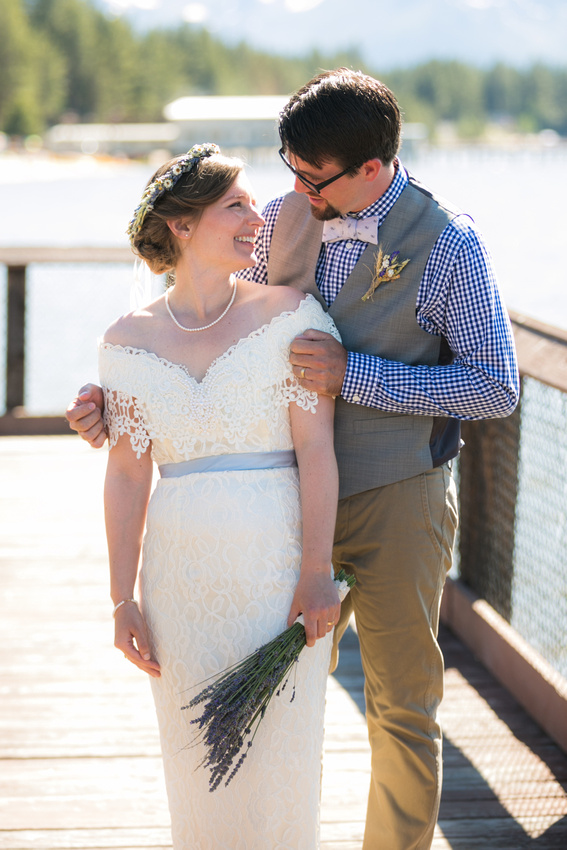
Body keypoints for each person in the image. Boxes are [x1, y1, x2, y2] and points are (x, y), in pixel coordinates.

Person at [67, 70, 520, 850]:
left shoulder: (448, 244)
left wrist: (360, 376)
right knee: (271, 708)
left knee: (400, 704)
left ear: (369, 169)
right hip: (272, 511)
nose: (291, 191)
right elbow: (211, 325)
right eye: (288, 169)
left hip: (394, 497)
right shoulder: (282, 218)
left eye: (312, 176)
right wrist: (124, 399)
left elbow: (494, 388)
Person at [97, 142, 343, 849]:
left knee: (280, 759)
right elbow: (125, 474)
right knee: (196, 764)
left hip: (277, 569)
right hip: (179, 579)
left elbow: (317, 453)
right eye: (235, 205)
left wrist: (316, 571)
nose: (256, 218)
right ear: (180, 224)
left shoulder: (292, 316)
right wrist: (121, 599)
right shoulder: (125, 341)